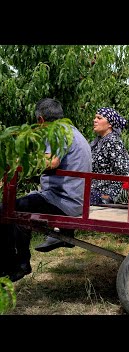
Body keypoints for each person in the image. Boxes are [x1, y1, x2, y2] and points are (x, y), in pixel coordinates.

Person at [0, 98, 92, 281]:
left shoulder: (57, 131)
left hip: (64, 201)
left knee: (6, 210)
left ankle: (16, 264)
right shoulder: (70, 130)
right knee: (20, 205)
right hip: (73, 199)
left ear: (41, 120)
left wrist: (21, 163)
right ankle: (18, 262)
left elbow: (52, 161)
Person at [35, 107, 129, 252]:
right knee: (70, 190)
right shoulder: (99, 141)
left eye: (99, 118)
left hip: (108, 191)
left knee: (70, 196)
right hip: (96, 186)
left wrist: (120, 193)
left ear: (110, 124)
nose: (95, 120)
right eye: (95, 117)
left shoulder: (113, 142)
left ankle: (60, 233)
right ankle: (62, 233)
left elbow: (127, 171)